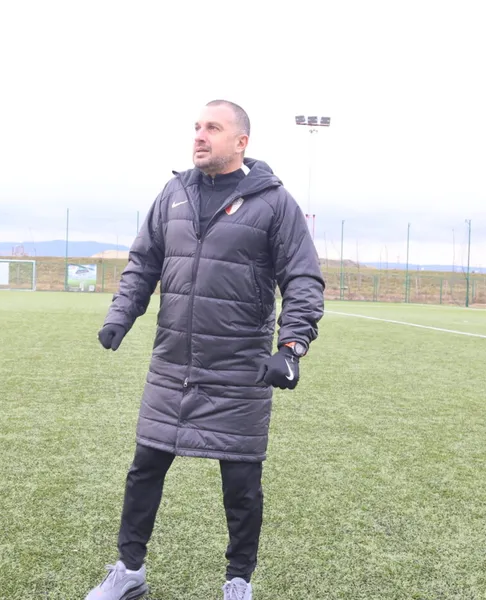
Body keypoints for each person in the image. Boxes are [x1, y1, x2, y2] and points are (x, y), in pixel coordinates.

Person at [87, 99, 326, 600]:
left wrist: (292, 345)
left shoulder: (274, 202)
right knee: (144, 469)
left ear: (241, 142)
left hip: (240, 369)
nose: (199, 135)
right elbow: (144, 262)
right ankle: (129, 572)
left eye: (212, 128)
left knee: (241, 484)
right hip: (172, 365)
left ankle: (238, 581)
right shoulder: (173, 193)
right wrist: (120, 315)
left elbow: (302, 277)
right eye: (197, 127)